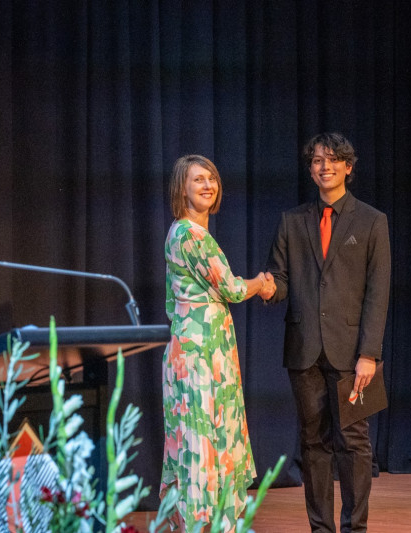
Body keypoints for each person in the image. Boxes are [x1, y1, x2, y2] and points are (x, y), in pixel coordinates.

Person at [262, 132, 391, 533]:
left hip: (353, 354)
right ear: (311, 169)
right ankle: (320, 528)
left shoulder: (372, 221)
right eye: (318, 160)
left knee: (354, 443)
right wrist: (266, 288)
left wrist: (369, 353)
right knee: (313, 443)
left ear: (348, 167)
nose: (325, 167)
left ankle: (355, 528)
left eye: (333, 160)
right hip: (304, 350)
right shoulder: (292, 220)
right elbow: (281, 279)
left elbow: (378, 292)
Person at [160, 154, 272, 532]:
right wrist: (261, 283)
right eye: (198, 180)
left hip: (206, 348)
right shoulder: (189, 234)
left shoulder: (187, 232)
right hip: (199, 353)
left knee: (208, 434)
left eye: (211, 178)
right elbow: (232, 288)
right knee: (199, 437)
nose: (208, 185)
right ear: (182, 189)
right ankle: (199, 523)